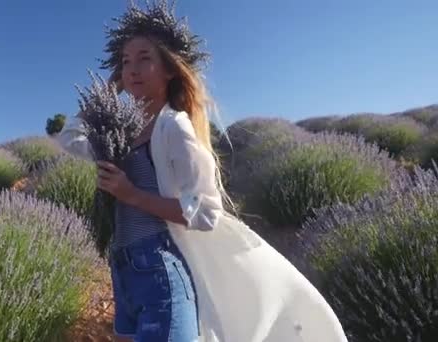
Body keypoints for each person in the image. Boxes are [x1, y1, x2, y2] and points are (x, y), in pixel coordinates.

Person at [55, 1, 349, 341]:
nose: (132, 69)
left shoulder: (175, 128)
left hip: (160, 270)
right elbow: (69, 137)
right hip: (122, 271)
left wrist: (131, 195)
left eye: (144, 58)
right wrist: (107, 90)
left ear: (169, 70)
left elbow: (206, 213)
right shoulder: (118, 133)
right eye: (125, 62)